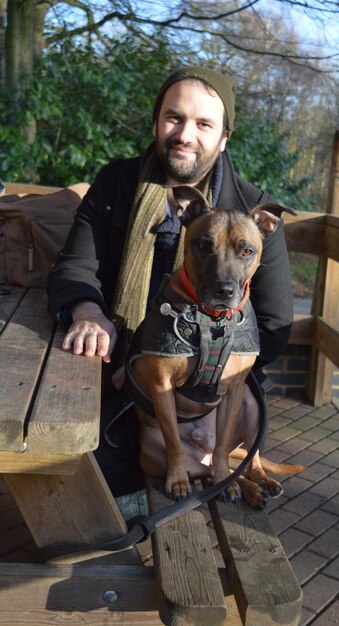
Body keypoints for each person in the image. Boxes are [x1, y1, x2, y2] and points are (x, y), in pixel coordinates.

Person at [47, 66, 293, 520]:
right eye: (173, 118)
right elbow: (75, 267)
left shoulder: (253, 212)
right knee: (84, 474)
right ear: (155, 122)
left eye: (203, 124)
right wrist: (89, 312)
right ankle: (112, 564)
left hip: (217, 384)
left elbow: (275, 326)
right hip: (124, 376)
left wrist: (208, 372)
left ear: (223, 138)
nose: (184, 134)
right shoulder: (116, 184)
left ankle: (227, 466)